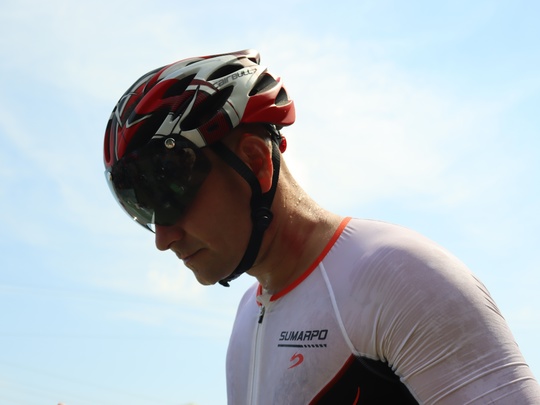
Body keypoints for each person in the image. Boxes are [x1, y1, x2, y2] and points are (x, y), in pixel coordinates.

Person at [103, 49, 540, 404]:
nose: (163, 237)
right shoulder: (246, 318)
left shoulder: (399, 277)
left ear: (255, 162)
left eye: (169, 195)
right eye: (142, 207)